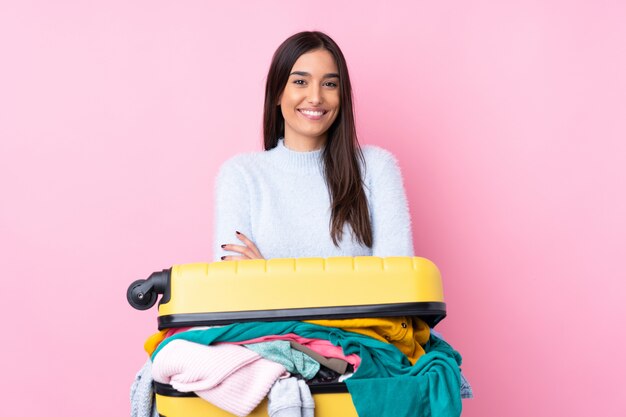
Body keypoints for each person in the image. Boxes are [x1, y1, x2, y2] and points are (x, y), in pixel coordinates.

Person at [213, 31, 414, 261]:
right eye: (300, 82)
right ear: (278, 92)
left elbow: (398, 284)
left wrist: (266, 277)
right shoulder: (241, 175)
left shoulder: (377, 169)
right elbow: (231, 287)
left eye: (329, 84)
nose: (316, 97)